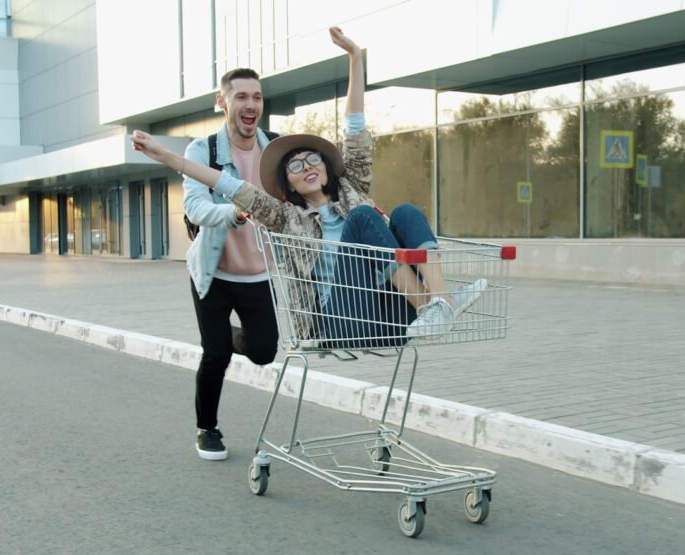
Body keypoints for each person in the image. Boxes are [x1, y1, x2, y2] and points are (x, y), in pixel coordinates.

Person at [133, 27, 485, 350]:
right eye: (295, 165)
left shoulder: (351, 188)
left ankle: (440, 302)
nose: (307, 167)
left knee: (406, 211)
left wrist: (355, 58)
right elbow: (228, 184)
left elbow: (355, 127)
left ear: (326, 166)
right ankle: (433, 307)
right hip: (342, 321)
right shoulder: (285, 216)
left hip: (386, 310)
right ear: (287, 181)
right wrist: (167, 156)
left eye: (312, 159)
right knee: (363, 218)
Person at [181, 65, 279, 460]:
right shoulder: (202, 150)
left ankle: (232, 336)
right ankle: (207, 428)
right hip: (213, 274)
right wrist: (233, 213)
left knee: (263, 352)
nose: (250, 104)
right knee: (216, 353)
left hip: (258, 275)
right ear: (222, 102)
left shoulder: (276, 148)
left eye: (256, 97)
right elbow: (194, 204)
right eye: (241, 96)